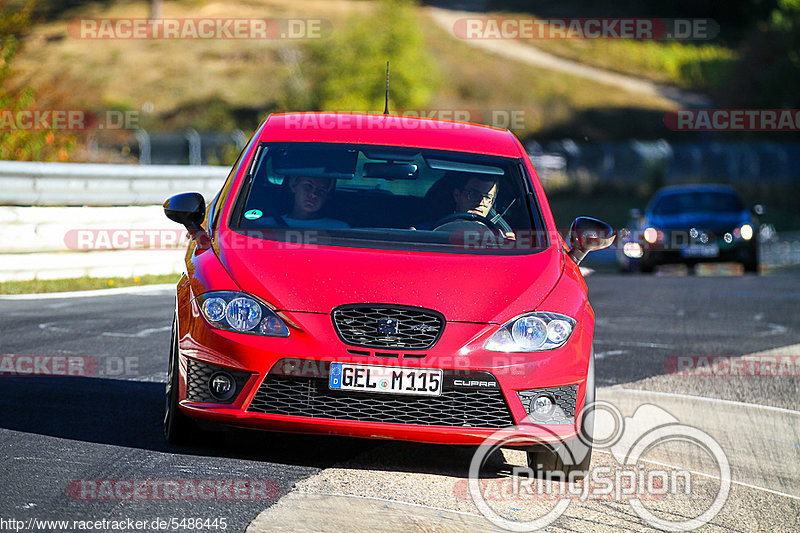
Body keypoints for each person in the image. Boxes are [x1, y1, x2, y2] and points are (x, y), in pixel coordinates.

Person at [267, 176, 349, 228]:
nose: (314, 194)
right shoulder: (264, 224)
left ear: (327, 196)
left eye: (321, 190)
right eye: (308, 186)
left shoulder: (339, 228)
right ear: (293, 186)